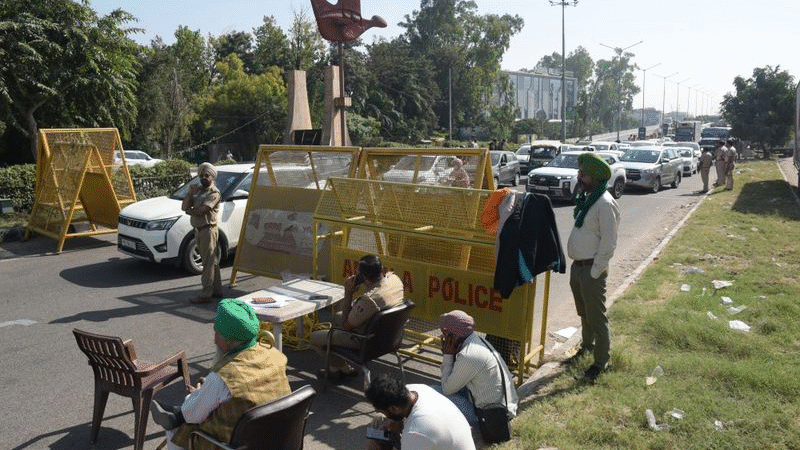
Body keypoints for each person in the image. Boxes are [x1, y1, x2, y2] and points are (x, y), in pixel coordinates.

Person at [150, 299, 291, 450]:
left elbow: (193, 415)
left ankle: (175, 415)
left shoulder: (223, 376)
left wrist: (196, 394)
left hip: (235, 444)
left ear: (227, 341)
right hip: (277, 437)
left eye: (216, 331)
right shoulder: (275, 356)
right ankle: (177, 411)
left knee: (176, 428)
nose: (214, 338)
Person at [566, 152, 620, 382]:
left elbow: (609, 242)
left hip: (591, 269)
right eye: (579, 172)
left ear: (596, 178)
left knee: (597, 318)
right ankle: (586, 348)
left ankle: (600, 363)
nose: (579, 176)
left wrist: (595, 271)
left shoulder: (605, 203)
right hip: (578, 267)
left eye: (584, 174)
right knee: (584, 314)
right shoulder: (588, 199)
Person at [310, 254, 404, 379]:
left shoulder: (370, 300)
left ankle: (342, 368)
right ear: (381, 270)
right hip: (389, 338)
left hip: (366, 341)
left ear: (364, 277)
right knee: (337, 316)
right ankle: (337, 365)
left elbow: (345, 325)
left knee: (315, 338)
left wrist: (348, 293)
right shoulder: (395, 280)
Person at [436, 310, 518, 429]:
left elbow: (447, 389)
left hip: (494, 416)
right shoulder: (476, 340)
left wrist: (448, 355)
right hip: (506, 405)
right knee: (439, 388)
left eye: (444, 333)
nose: (443, 337)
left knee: (435, 394)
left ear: (453, 335)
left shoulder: (468, 355)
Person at [365, 374, 476, 450]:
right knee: (378, 421)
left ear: (395, 409)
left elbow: (418, 432)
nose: (384, 415)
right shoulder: (414, 389)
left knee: (375, 440)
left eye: (385, 411)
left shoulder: (416, 431)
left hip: (429, 439)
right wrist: (396, 422)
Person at [182, 162, 223, 303]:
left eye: (207, 175)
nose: (203, 178)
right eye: (201, 175)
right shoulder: (197, 190)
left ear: (212, 177)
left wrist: (190, 211)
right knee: (212, 262)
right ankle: (217, 290)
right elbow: (184, 206)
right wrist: (189, 193)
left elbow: (202, 210)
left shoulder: (214, 193)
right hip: (198, 230)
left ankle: (206, 294)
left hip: (208, 230)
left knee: (207, 263)